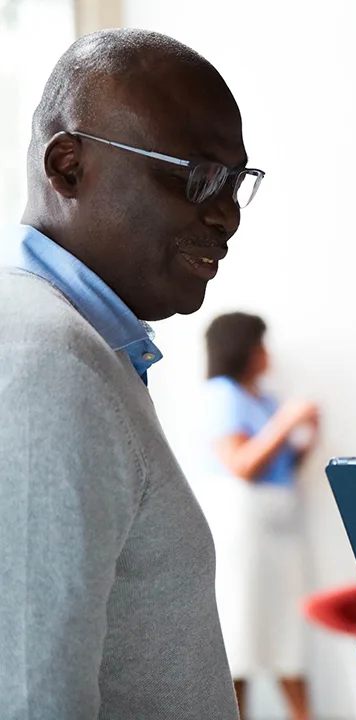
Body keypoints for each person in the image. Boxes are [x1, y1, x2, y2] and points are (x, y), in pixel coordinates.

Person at [0, 29, 261, 719]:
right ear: (67, 167)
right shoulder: (45, 362)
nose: (226, 213)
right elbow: (31, 699)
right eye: (196, 173)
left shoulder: (80, 346)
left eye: (236, 181)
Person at [191, 312, 319, 720]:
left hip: (277, 526)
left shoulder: (264, 399)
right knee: (241, 635)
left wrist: (308, 436)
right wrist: (288, 421)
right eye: (261, 344)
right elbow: (242, 464)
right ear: (243, 348)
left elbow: (280, 466)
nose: (268, 354)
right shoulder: (222, 394)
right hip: (244, 532)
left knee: (286, 636)